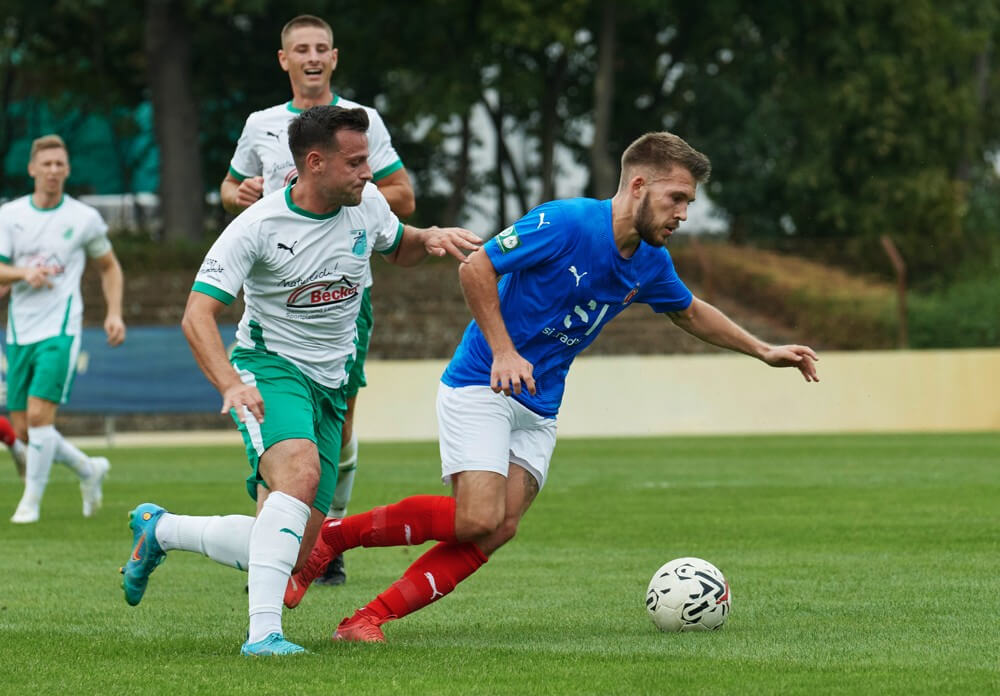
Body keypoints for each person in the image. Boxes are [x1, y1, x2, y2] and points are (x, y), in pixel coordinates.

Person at [285, 131, 820, 643]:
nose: (683, 213)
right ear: (638, 185)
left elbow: (689, 311)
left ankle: (366, 619)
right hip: (483, 382)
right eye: (676, 198)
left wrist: (763, 350)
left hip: (539, 405)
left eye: (689, 202)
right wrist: (503, 350)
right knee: (476, 516)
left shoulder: (651, 261)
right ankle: (333, 538)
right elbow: (476, 268)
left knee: (498, 528)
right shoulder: (566, 222)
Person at [119, 105, 482, 657]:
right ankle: (264, 635)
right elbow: (197, 315)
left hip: (331, 384)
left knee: (289, 548)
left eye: (366, 161)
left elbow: (398, 246)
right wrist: (230, 384)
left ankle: (162, 531)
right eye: (355, 162)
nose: (368, 173)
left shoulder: (366, 204)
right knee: (300, 474)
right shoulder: (258, 226)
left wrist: (427, 237)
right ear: (315, 163)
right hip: (270, 368)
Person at [220, 13, 416, 587]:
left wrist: (358, 195)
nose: (311, 57)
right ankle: (282, 540)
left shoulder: (360, 122)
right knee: (289, 439)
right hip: (281, 296)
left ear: (334, 58)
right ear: (284, 60)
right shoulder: (261, 124)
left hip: (344, 297)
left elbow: (402, 194)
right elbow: (229, 189)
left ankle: (326, 531)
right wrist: (243, 195)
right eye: (301, 49)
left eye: (321, 48)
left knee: (341, 422)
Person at [0, 134, 123, 524]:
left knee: (40, 417)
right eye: (46, 164)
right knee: (23, 429)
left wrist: (114, 313)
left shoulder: (83, 218)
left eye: (59, 164)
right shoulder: (10, 215)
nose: (53, 170)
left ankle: (30, 503)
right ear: (32, 169)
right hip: (20, 331)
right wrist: (23, 273)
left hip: (61, 329)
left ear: (67, 170)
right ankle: (88, 468)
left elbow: (109, 266)